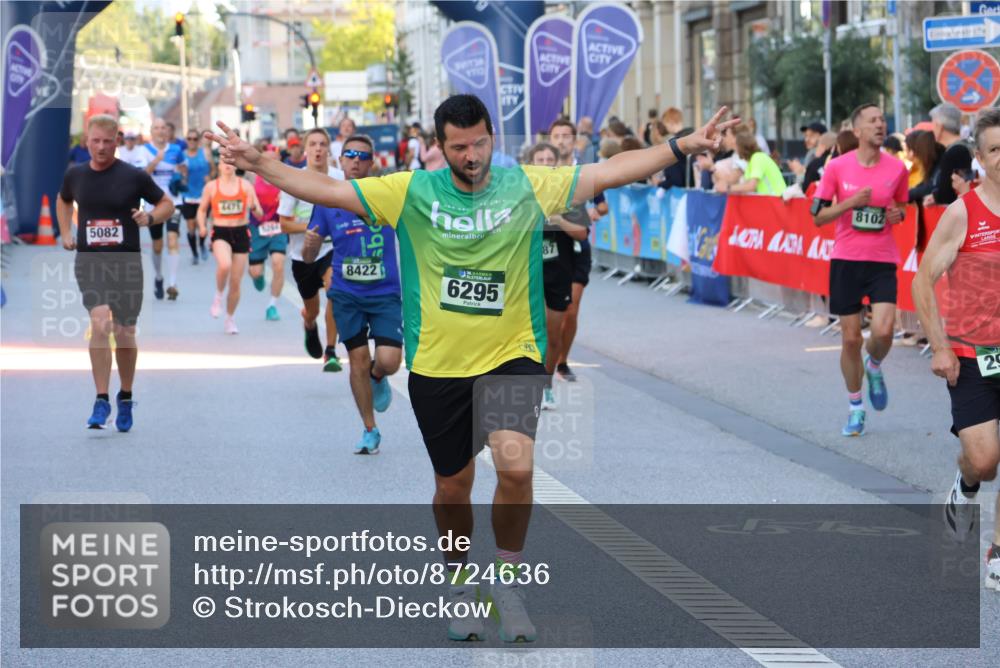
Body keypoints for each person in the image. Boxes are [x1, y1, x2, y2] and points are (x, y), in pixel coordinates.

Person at [207, 93, 736, 643]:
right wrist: (259, 162)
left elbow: (609, 170)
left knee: (516, 468)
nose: (472, 155)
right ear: (440, 147)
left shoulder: (525, 186)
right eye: (459, 147)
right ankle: (461, 585)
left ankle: (508, 584)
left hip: (513, 355)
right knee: (453, 487)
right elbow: (328, 190)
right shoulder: (411, 191)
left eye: (480, 143)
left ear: (491, 138)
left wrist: (682, 146)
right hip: (440, 365)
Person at [912, 107, 1000, 591]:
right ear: (980, 158)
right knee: (984, 461)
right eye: (995, 149)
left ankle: (997, 551)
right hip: (971, 354)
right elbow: (923, 281)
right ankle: (964, 487)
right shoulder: (964, 213)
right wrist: (939, 346)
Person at [55, 114, 174, 431]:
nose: (101, 147)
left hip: (126, 262)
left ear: (117, 141)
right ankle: (101, 399)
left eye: (107, 141)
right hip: (90, 260)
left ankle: (126, 395)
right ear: (87, 141)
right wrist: (65, 232)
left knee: (124, 332)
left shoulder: (133, 176)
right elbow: (63, 200)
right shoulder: (76, 175)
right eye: (95, 141)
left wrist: (150, 218)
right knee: (100, 321)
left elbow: (167, 204)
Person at [812, 104, 910, 437]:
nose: (880, 125)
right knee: (851, 339)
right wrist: (849, 204)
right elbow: (818, 216)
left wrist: (898, 215)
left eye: (883, 119)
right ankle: (856, 407)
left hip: (882, 259)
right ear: (857, 131)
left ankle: (875, 364)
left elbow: (901, 206)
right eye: (873, 121)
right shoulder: (837, 167)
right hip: (846, 260)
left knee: (883, 332)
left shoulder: (897, 168)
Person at [303, 134, 403, 454]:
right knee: (357, 360)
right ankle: (370, 429)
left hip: (385, 292)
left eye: (363, 156)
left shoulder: (387, 194)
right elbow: (309, 256)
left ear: (372, 162)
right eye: (350, 155)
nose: (356, 161)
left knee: (389, 360)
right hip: (346, 294)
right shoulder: (326, 201)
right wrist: (310, 246)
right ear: (341, 160)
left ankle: (378, 375)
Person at [278, 128, 345, 370]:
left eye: (322, 144)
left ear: (328, 149)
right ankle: (309, 324)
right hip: (303, 256)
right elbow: (284, 224)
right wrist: (310, 228)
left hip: (331, 250)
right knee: (312, 310)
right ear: (305, 149)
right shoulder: (295, 180)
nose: (318, 148)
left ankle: (331, 351)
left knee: (334, 291)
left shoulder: (340, 177)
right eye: (313, 144)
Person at [529, 142, 590, 407]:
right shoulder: (521, 194)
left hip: (558, 271)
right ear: (531, 164)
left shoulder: (568, 194)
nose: (544, 163)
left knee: (553, 336)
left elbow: (582, 233)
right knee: (532, 333)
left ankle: (546, 384)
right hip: (528, 273)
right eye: (539, 159)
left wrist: (558, 219)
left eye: (548, 159)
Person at [549, 119, 607, 383]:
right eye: (556, 136)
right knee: (549, 313)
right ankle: (546, 362)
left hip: (576, 244)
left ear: (574, 141)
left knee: (571, 309)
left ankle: (562, 362)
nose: (561, 140)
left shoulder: (584, 173)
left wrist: (593, 211)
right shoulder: (543, 169)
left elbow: (603, 206)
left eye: (566, 136)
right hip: (549, 247)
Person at [197, 159, 263, 334]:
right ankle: (218, 296)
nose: (227, 165)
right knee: (225, 264)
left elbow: (259, 213)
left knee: (235, 282)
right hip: (221, 231)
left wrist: (253, 207)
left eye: (230, 161)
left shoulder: (246, 186)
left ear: (236, 165)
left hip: (241, 232)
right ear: (218, 166)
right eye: (223, 162)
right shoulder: (212, 187)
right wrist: (202, 226)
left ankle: (229, 318)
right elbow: (202, 210)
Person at [143, 117, 187, 300]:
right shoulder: (144, 150)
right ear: (151, 131)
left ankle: (172, 283)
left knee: (172, 239)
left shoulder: (176, 150)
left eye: (163, 128)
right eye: (157, 128)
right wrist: (156, 161)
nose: (160, 131)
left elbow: (184, 170)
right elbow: (141, 176)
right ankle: (159, 277)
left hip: (174, 201)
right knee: (158, 245)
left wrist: (180, 177)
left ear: (167, 131)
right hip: (153, 203)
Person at [248, 145, 288, 322]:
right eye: (267, 159)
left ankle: (272, 305)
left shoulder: (285, 179)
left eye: (274, 159)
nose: (270, 162)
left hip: (278, 227)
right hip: (256, 228)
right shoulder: (252, 176)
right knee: (255, 272)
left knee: (278, 263)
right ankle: (258, 275)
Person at [925, 103, 974, 207]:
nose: (932, 129)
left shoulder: (956, 152)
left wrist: (937, 197)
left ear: (939, 126)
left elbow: (950, 192)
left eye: (933, 124)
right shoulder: (966, 145)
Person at [181, 129, 215, 267]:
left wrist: (210, 177)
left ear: (199, 140)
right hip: (188, 195)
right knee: (191, 227)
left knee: (202, 224)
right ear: (186, 140)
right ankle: (194, 253)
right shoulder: (182, 155)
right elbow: (178, 174)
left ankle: (201, 245)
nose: (192, 141)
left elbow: (214, 169)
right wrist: (182, 177)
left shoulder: (205, 153)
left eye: (195, 139)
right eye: (189, 138)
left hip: (203, 195)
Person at [717, 131, 785, 195]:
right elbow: (746, 185)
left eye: (736, 146)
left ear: (742, 147)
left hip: (775, 200)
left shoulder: (757, 158)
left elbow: (751, 186)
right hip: (769, 200)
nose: (735, 149)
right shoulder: (752, 161)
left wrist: (728, 188)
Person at [907, 130, 944, 204]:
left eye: (917, 151)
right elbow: (926, 184)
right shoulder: (934, 164)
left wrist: (906, 195)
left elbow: (931, 187)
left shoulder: (941, 164)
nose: (912, 154)